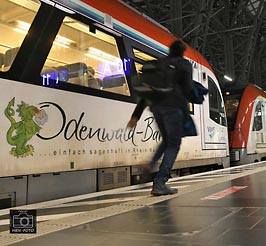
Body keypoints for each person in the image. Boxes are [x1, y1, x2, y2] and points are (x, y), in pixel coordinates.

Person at [127, 40, 193, 196]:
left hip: (156, 108)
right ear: (182, 52)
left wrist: (136, 115)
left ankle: (150, 164)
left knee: (166, 140)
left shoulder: (160, 64)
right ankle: (160, 183)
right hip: (173, 108)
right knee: (174, 144)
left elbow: (146, 92)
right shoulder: (183, 65)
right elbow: (188, 88)